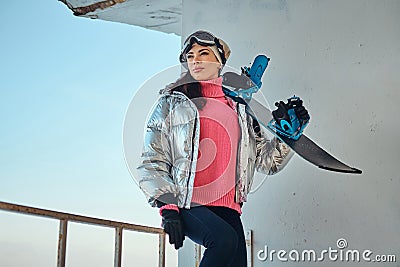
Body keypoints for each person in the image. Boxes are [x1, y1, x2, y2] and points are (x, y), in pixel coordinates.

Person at [136, 30, 309, 267]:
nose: (195, 60)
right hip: (187, 202)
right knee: (224, 241)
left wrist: (288, 136)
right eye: (190, 55)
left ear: (220, 61)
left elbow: (267, 162)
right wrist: (167, 205)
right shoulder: (172, 103)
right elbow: (153, 159)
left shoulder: (240, 111)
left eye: (204, 53)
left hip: (228, 208)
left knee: (236, 260)